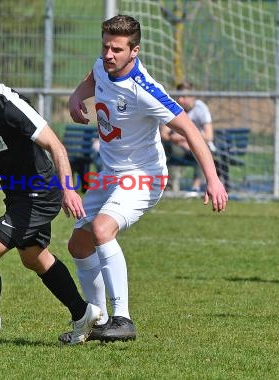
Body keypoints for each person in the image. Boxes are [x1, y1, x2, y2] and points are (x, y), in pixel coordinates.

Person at [58, 15, 228, 343]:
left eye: (117, 49)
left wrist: (213, 178)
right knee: (78, 245)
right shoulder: (101, 65)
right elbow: (89, 81)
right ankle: (98, 320)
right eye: (106, 46)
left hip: (144, 178)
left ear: (134, 51)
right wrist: (75, 98)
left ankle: (123, 319)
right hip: (110, 175)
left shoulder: (145, 89)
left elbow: (190, 130)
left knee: (101, 229)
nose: (108, 54)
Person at [0, 36, 101, 347]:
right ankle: (82, 312)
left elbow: (56, 146)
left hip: (40, 192)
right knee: (34, 258)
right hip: (16, 191)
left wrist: (69, 190)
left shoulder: (9, 105)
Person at [160, 82, 217, 192]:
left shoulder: (200, 108)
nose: (180, 100)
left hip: (198, 145)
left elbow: (209, 135)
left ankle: (196, 188)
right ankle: (171, 187)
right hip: (179, 147)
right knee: (168, 149)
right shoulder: (173, 107)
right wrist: (175, 139)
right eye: (179, 96)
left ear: (192, 97)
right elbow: (164, 134)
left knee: (200, 150)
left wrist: (188, 140)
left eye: (184, 97)